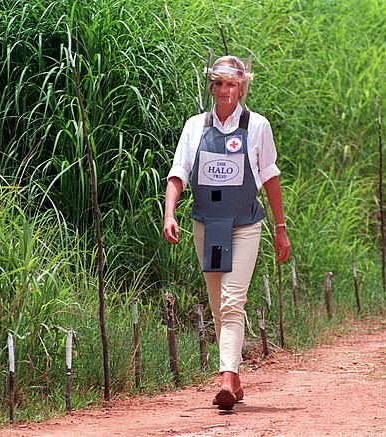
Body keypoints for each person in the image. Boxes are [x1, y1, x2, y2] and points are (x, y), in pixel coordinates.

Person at [163, 55, 290, 410]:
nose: (224, 90)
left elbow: (270, 178)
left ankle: (224, 378)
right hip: (207, 224)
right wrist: (169, 213)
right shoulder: (195, 126)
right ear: (211, 86)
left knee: (234, 301)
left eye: (231, 84)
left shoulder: (257, 126)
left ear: (242, 87)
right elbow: (178, 172)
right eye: (218, 84)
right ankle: (234, 377)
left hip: (245, 225)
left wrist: (281, 228)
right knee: (219, 305)